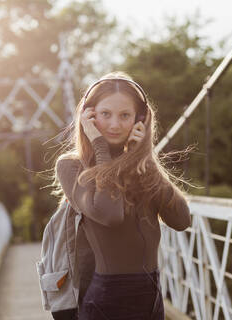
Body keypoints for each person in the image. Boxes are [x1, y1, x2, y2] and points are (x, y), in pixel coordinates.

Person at [51, 71, 192, 319]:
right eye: (106, 114)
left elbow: (181, 220)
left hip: (152, 300)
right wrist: (100, 147)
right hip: (107, 302)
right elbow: (109, 215)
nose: (115, 124)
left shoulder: (142, 168)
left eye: (124, 115)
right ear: (89, 117)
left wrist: (144, 160)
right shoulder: (72, 167)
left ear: (140, 119)